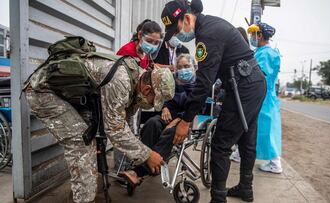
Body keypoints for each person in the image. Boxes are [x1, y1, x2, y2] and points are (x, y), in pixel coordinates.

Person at [23, 41, 175, 203]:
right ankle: (83, 199)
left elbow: (124, 125)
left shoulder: (137, 80)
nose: (151, 105)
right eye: (154, 100)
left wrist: (136, 164)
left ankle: (82, 194)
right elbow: (116, 130)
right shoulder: (122, 80)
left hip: (71, 97)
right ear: (147, 90)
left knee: (92, 140)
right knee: (81, 143)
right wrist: (147, 155)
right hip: (42, 91)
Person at [160, 0, 267, 202]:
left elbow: (204, 83)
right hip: (253, 83)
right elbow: (211, 72)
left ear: (187, 18)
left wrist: (186, 121)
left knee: (220, 143)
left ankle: (218, 198)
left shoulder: (207, 34)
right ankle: (246, 188)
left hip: (243, 86)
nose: (177, 35)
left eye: (176, 29)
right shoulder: (211, 25)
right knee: (246, 139)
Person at [119, 54, 197, 188]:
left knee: (169, 133)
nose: (183, 70)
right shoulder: (172, 80)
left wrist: (176, 121)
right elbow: (165, 98)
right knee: (152, 123)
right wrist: (165, 108)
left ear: (194, 67)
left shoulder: (199, 86)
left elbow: (194, 109)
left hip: (186, 120)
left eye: (186, 66)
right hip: (168, 115)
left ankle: (139, 171)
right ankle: (143, 161)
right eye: (179, 67)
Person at [248, 23, 282, 173]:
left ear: (260, 35)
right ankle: (241, 153)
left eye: (253, 34)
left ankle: (275, 163)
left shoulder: (265, 53)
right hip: (267, 96)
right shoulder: (266, 52)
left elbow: (259, 74)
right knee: (259, 128)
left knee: (265, 129)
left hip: (263, 96)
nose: (251, 38)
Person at [230, 26, 250, 163]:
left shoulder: (241, 55)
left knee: (242, 123)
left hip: (242, 92)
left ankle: (238, 150)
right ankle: (238, 149)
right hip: (246, 93)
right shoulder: (248, 53)